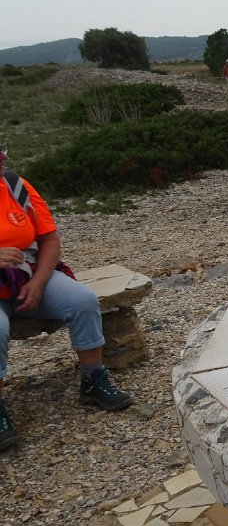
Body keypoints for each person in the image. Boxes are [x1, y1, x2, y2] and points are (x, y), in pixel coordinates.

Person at [0, 153, 131, 451]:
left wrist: (38, 283)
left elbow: (49, 239)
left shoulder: (15, 186)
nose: (2, 157)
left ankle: (93, 378)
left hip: (27, 273)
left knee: (82, 301)